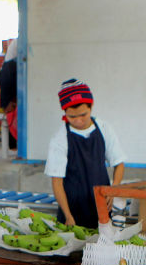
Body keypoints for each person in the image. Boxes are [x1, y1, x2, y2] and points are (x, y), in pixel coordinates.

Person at [44, 79, 127, 228]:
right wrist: (68, 216)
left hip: (101, 203)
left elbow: (118, 163)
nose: (79, 121)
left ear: (91, 106)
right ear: (64, 112)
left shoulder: (103, 128)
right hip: (72, 207)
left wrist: (113, 190)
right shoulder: (60, 138)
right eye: (72, 117)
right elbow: (57, 182)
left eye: (83, 114)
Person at [0, 39, 18, 150]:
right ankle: (12, 145)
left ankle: (14, 144)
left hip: (10, 72)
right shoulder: (20, 41)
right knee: (10, 109)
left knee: (13, 108)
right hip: (9, 74)